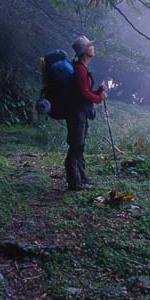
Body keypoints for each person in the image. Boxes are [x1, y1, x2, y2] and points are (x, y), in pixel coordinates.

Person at [65, 35, 107, 191]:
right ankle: (74, 182)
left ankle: (82, 178)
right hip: (77, 113)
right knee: (76, 147)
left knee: (80, 146)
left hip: (80, 112)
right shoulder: (80, 69)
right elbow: (83, 94)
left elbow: (85, 92)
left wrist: (97, 92)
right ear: (84, 51)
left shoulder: (81, 67)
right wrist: (99, 97)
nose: (93, 47)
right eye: (90, 45)